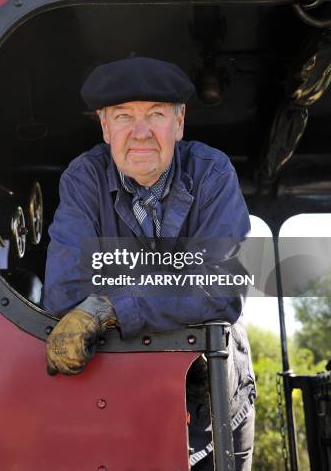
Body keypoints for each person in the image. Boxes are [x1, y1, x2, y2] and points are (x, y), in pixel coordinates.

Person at [42, 56, 256, 470]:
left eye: (156, 115)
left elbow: (223, 289)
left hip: (218, 402)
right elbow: (65, 293)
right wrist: (179, 288)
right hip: (125, 405)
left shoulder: (212, 173)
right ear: (105, 128)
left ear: (179, 123)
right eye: (123, 117)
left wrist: (110, 307)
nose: (140, 133)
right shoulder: (82, 179)